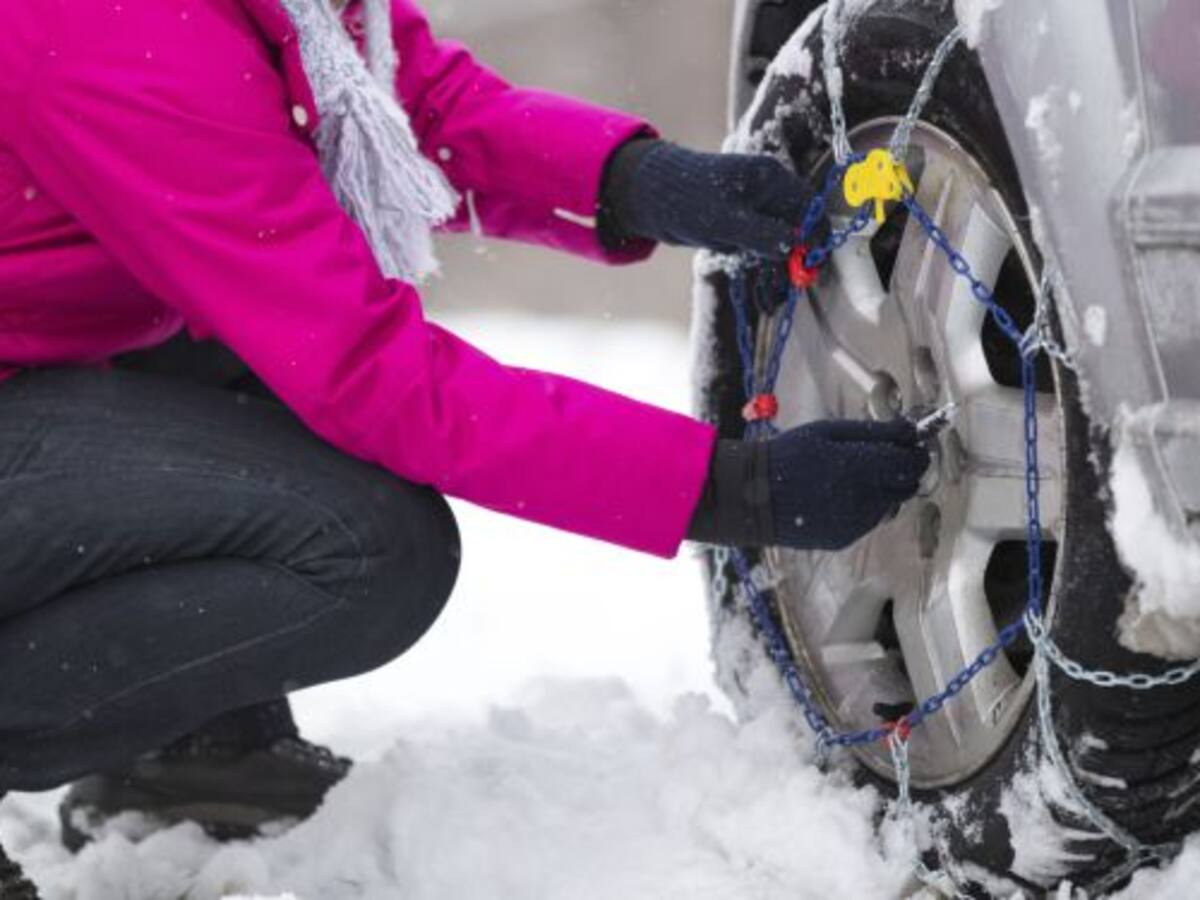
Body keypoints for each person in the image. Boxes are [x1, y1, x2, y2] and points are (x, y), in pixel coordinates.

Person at [0, 0, 927, 892]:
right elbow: (370, 372)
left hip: (42, 358)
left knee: (234, 337)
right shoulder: (110, 27)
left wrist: (634, 181)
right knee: (366, 550)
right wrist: (726, 489)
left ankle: (189, 749)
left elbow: (400, 108)